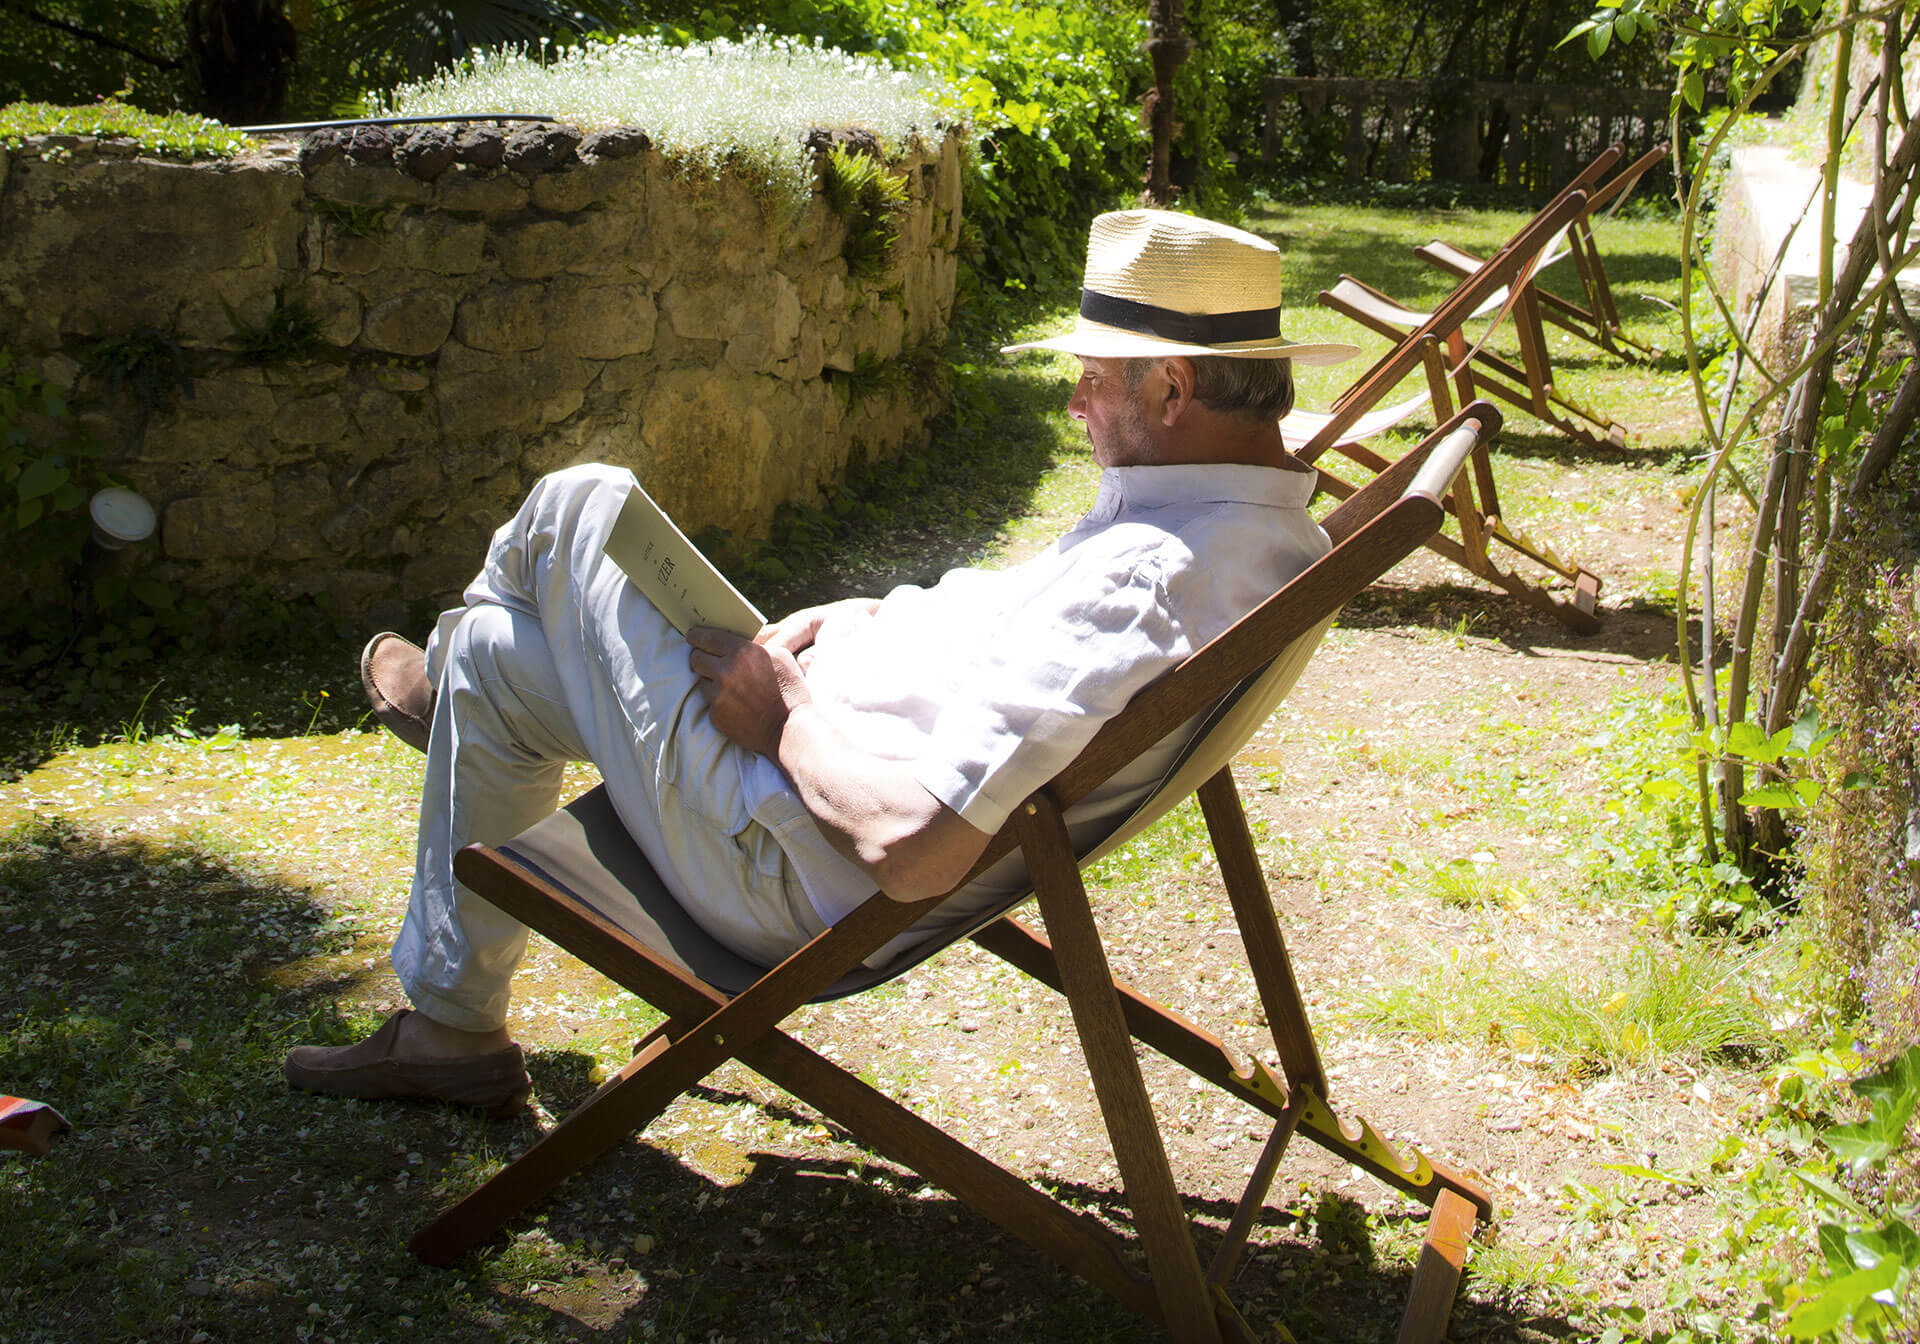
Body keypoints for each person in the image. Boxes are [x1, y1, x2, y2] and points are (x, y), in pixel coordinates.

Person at [283, 209, 1356, 1114]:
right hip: (793, 789)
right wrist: (863, 621)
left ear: (1173, 390)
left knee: (582, 502)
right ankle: (452, 1029)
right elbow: (1011, 665)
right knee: (500, 664)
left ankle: (439, 685)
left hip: (779, 857)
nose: (1074, 404)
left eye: (1091, 380)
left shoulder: (1153, 578)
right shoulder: (1241, 529)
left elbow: (913, 847)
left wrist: (787, 711)